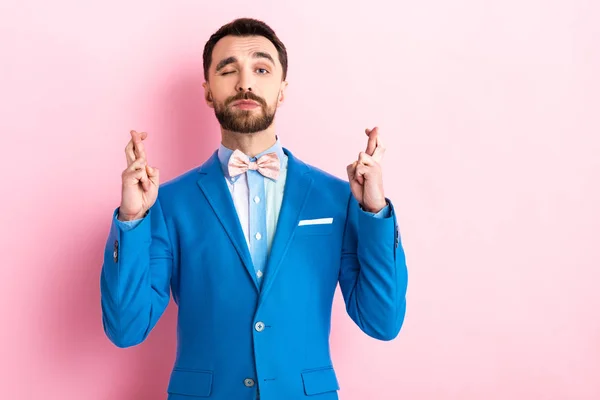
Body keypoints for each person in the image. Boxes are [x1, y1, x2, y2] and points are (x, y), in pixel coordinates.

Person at [100, 17, 408, 400]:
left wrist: (375, 213)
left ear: (282, 90)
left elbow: (383, 321)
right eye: (228, 70)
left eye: (261, 69)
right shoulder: (167, 203)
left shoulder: (338, 198)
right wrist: (132, 220)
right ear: (208, 92)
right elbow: (126, 327)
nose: (245, 82)